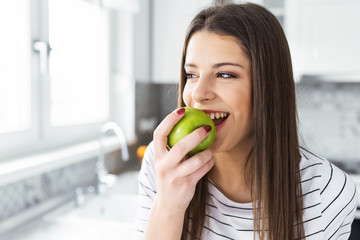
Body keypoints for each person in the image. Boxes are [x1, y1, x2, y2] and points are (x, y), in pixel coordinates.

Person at [134, 2, 358, 240]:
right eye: (192, 74)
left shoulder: (327, 192)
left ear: (267, 87)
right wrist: (169, 205)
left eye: (225, 74)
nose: (199, 93)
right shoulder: (164, 165)